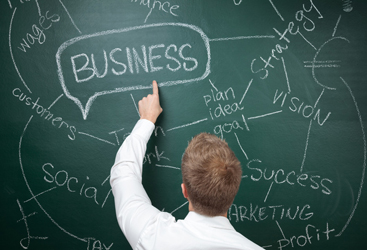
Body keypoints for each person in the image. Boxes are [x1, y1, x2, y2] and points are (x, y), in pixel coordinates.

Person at [110, 81, 264, 250]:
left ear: (185, 191)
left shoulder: (154, 237)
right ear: (232, 194)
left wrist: (146, 120)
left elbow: (123, 174)